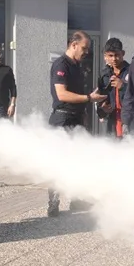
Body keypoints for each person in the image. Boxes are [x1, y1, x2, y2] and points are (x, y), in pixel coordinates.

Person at [48, 31, 107, 216]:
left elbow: (79, 95)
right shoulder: (61, 64)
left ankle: (76, 199)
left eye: (87, 48)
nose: (86, 52)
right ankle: (54, 203)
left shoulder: (77, 65)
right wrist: (89, 98)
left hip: (77, 117)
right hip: (63, 119)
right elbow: (62, 94)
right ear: (73, 44)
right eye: (84, 48)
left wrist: (85, 113)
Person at [97, 38, 130, 139]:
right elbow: (99, 99)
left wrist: (123, 86)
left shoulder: (132, 71)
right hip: (111, 124)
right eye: (110, 56)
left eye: (117, 55)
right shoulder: (104, 75)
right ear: (105, 56)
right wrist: (102, 108)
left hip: (129, 122)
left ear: (123, 53)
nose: (114, 59)